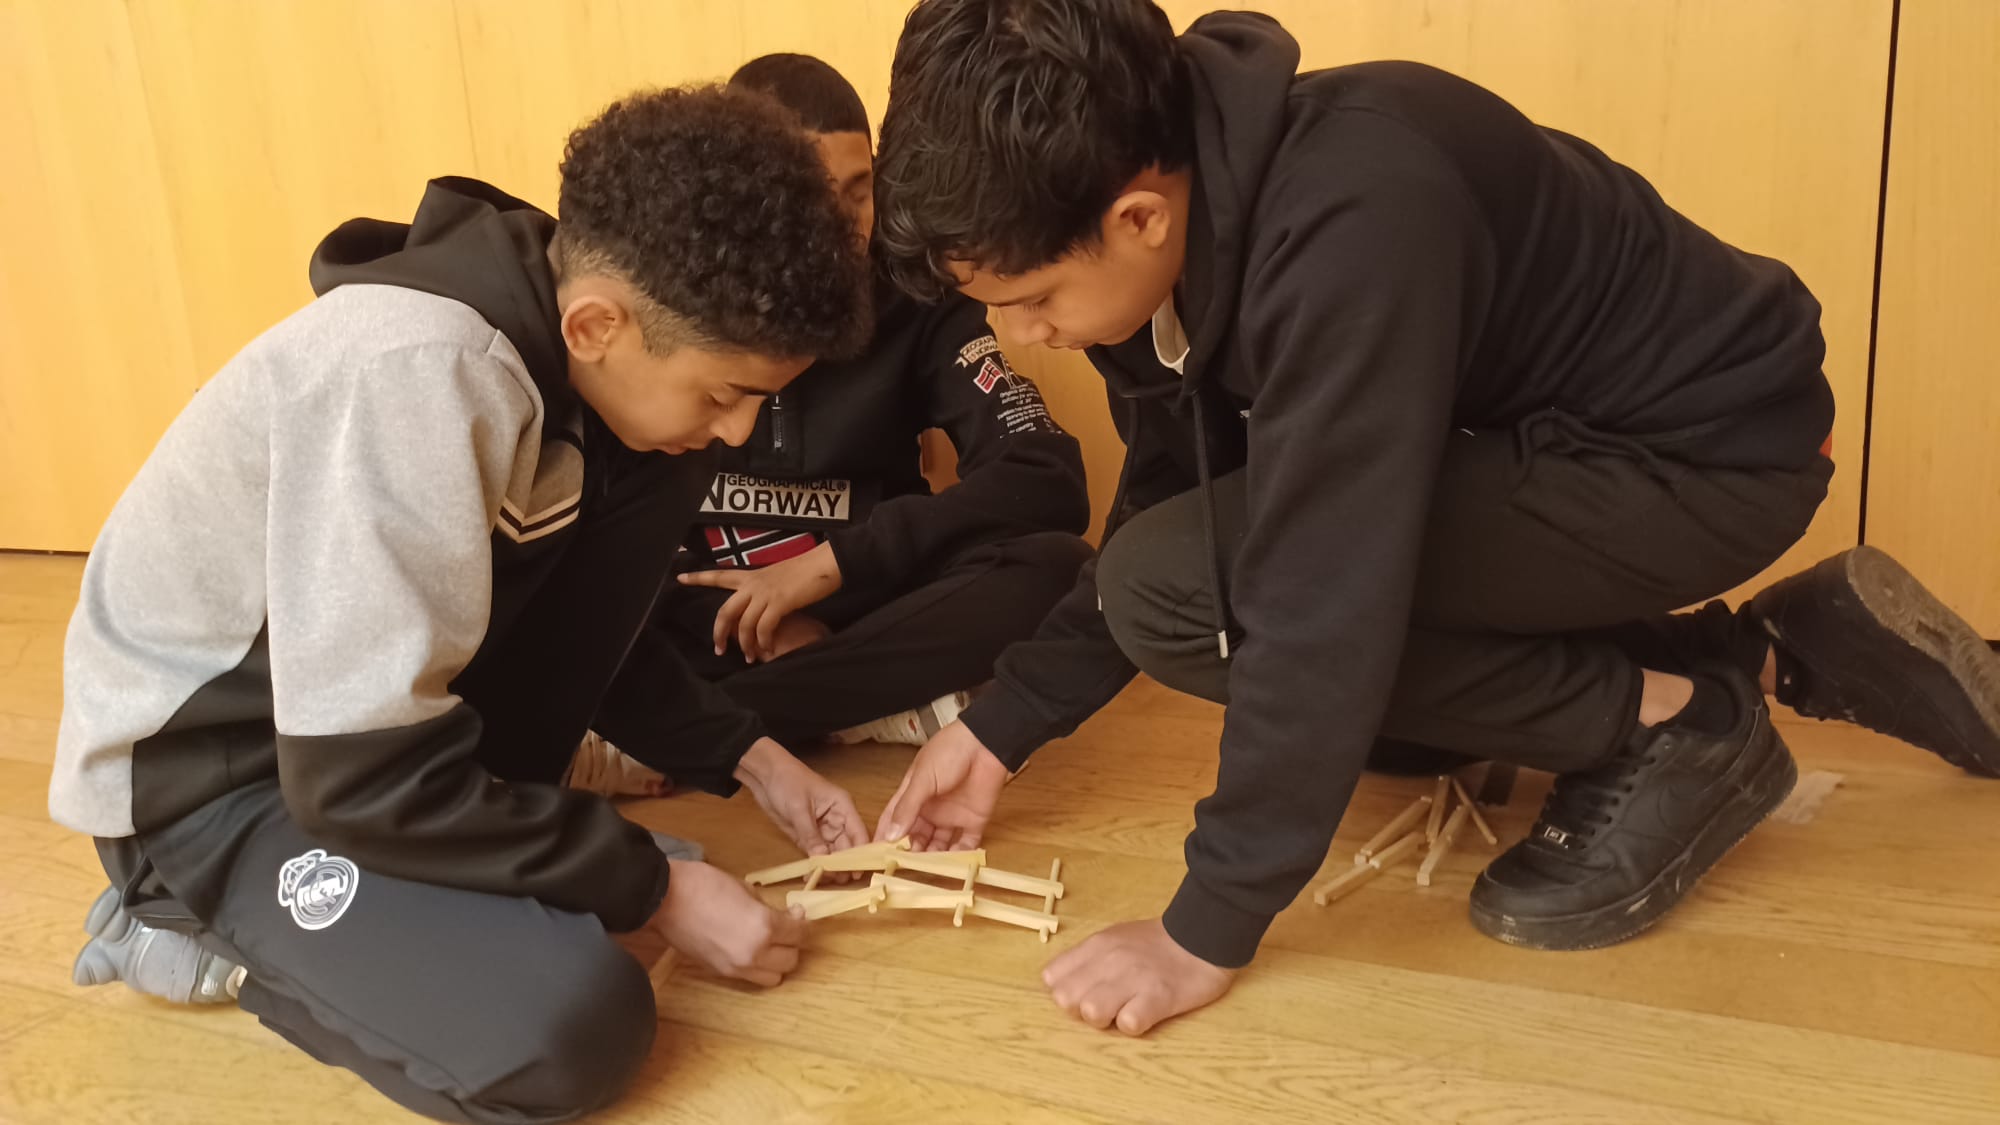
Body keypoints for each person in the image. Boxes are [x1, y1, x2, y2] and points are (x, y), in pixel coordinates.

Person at [864, 0, 2000, 1037]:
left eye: (1030, 302)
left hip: (1710, 459)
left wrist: (1202, 928)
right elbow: (1174, 492)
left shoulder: (1352, 215)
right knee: (1364, 716)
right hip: (1568, 448)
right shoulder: (1170, 222)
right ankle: (1766, 655)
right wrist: (1004, 724)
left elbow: (1314, 598)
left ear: (1137, 216)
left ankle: (1676, 723)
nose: (1022, 338)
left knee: (1176, 601)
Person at [49, 87, 872, 1122]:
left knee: (667, 470)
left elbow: (589, 631)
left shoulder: (605, 373)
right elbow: (356, 773)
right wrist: (649, 886)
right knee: (571, 1028)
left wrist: (754, 760)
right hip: (221, 785)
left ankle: (466, 891)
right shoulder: (419, 373)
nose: (740, 431)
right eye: (723, 394)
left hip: (364, 749)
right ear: (596, 323)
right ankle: (187, 928)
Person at [568, 54, 1093, 802]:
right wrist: (742, 614)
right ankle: (858, 710)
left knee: (1057, 570)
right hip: (701, 620)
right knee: (586, 618)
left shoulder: (916, 297)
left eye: (859, 191)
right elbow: (611, 530)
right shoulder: (666, 301)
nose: (844, 226)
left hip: (867, 607)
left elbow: (1044, 475)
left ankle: (675, 740)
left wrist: (830, 571)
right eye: (812, 196)